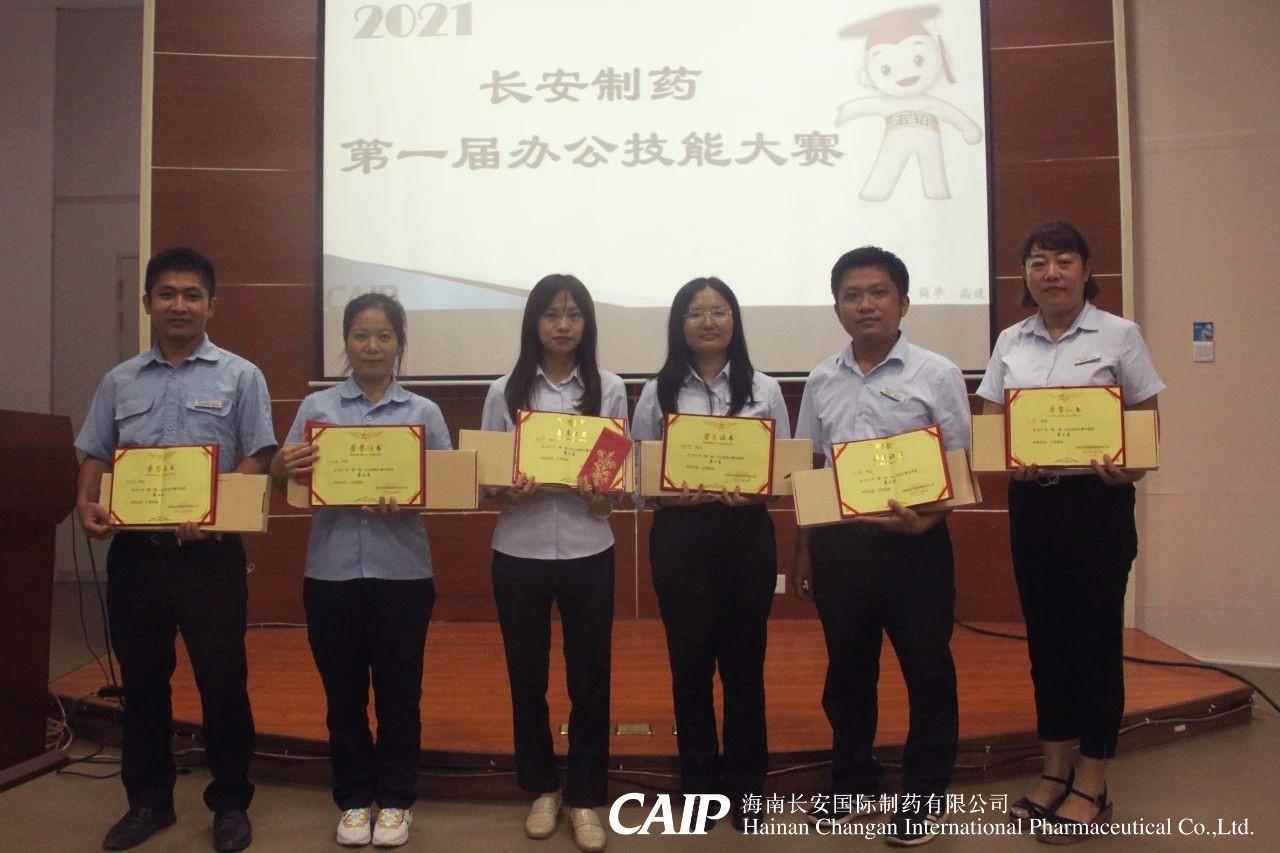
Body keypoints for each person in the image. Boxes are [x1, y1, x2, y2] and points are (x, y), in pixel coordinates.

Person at [75, 247, 277, 852]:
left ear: (212, 305)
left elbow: (258, 455)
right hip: (136, 556)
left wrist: (217, 512)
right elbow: (96, 454)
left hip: (209, 558)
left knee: (222, 680)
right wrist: (86, 502)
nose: (179, 305)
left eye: (192, 295)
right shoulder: (119, 380)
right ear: (147, 303)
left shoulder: (241, 376)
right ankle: (148, 802)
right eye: (167, 294)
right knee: (142, 682)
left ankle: (231, 803)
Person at [978, 222, 1163, 843]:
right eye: (1038, 262)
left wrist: (1125, 468)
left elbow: (1145, 426)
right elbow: (992, 429)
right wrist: (1010, 458)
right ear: (1024, 274)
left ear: (1086, 270)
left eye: (1063, 260)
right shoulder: (1010, 340)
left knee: (1095, 643)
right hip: (1034, 503)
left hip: (1097, 505)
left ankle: (1093, 779)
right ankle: (1053, 769)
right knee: (1046, 641)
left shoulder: (1119, 334)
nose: (1051, 272)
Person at [791, 246, 970, 846]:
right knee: (847, 673)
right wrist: (804, 550)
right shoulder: (822, 378)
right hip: (842, 549)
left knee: (927, 671)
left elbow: (959, 467)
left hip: (917, 549)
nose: (865, 305)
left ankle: (924, 794)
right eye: (852, 295)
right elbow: (811, 469)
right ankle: (853, 780)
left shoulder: (937, 374)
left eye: (878, 293)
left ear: (904, 302)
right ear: (837, 306)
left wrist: (926, 522)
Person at [270, 294, 451, 848]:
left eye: (384, 336)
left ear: (399, 345)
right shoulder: (317, 408)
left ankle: (395, 801)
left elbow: (447, 487)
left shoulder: (423, 412)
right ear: (345, 343)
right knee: (343, 695)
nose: (372, 346)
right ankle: (353, 798)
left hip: (403, 575)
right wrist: (281, 464)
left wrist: (411, 497)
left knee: (400, 695)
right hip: (331, 574)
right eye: (361, 336)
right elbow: (283, 477)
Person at [629, 277, 790, 829]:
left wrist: (756, 488)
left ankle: (748, 787)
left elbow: (783, 472)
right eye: (695, 312)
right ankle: (699, 786)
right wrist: (675, 493)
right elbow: (638, 475)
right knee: (689, 666)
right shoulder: (657, 392)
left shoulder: (764, 389)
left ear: (734, 320)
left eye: (719, 311)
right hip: (681, 537)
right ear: (679, 324)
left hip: (746, 535)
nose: (708, 321)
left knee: (745, 666)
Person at [480, 274, 628, 853]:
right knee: (527, 677)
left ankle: (586, 795)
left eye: (573, 315)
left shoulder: (610, 389)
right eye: (551, 314)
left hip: (590, 549)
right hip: (519, 549)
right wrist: (507, 492)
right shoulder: (503, 391)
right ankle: (542, 787)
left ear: (587, 323)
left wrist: (599, 497)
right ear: (534, 323)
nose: (563, 325)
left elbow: (612, 491)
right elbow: (488, 483)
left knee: (590, 678)